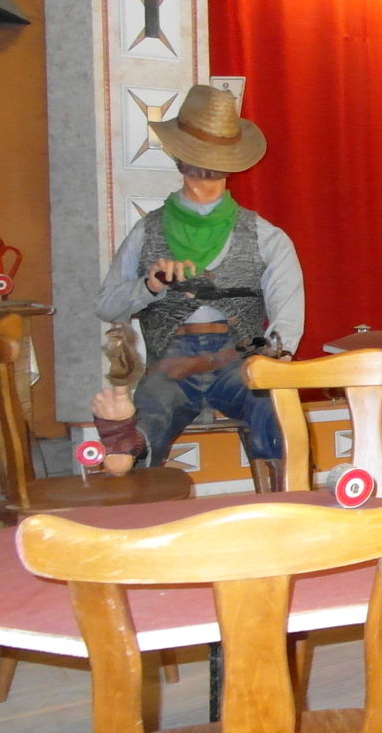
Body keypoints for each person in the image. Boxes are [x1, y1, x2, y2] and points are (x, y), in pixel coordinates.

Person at [90, 83, 305, 474]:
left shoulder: (266, 236)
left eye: (214, 161)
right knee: (153, 404)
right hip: (171, 364)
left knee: (271, 403)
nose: (205, 172)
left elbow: (286, 317)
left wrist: (273, 361)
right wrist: (149, 286)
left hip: (239, 357)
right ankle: (129, 451)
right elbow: (106, 305)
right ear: (178, 158)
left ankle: (284, 487)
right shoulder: (146, 232)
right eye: (196, 159)